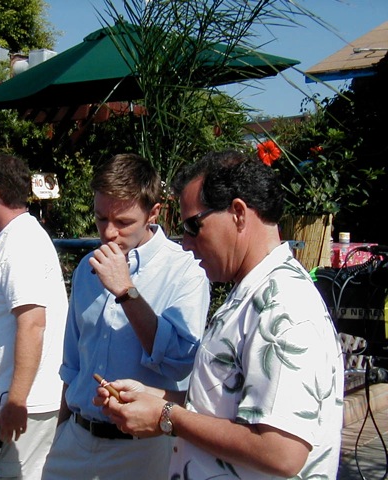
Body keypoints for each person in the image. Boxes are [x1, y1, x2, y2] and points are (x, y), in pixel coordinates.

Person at [96, 150, 344, 479]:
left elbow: (281, 451)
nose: (185, 243)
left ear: (238, 213)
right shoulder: (252, 294)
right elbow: (231, 405)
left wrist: (166, 416)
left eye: (192, 226)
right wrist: (155, 398)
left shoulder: (283, 305)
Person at [42, 153, 210, 480]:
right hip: (75, 440)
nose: (109, 233)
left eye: (123, 222)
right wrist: (60, 435)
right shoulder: (87, 269)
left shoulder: (185, 270)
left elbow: (180, 362)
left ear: (154, 214)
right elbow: (74, 366)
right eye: (101, 218)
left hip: (141, 451)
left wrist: (126, 292)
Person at [0, 153, 68, 480]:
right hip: (24, 397)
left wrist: (15, 401)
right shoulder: (24, 237)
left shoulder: (19, 244)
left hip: (18, 403)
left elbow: (33, 324)